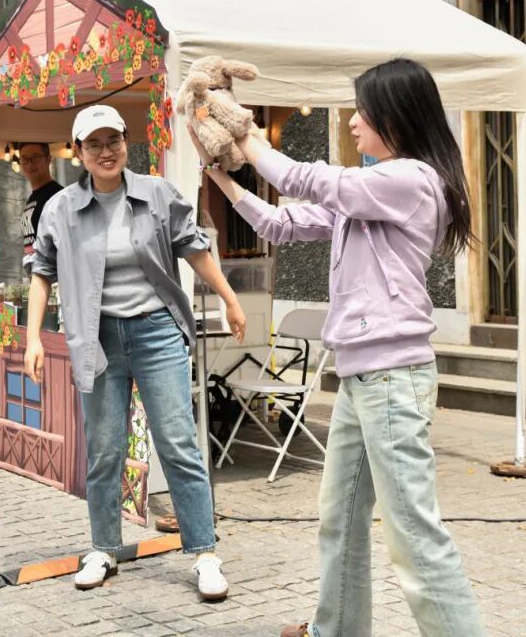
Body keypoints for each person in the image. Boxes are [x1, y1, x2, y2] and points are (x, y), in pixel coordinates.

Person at [196, 58, 484, 637]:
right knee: (341, 519)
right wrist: (220, 176)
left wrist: (241, 130)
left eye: (362, 111)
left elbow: (307, 179)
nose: (352, 122)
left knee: (414, 535)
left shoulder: (410, 179)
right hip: (362, 379)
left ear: (395, 117)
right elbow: (280, 224)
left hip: (391, 378)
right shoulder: (372, 192)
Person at [24, 104, 247, 601]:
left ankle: (204, 553)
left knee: (177, 442)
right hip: (97, 338)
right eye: (94, 144)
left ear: (127, 143)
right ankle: (104, 548)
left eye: (114, 141)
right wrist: (33, 337)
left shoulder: (156, 193)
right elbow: (41, 272)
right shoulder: (61, 208)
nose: (106, 152)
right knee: (104, 449)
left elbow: (194, 248)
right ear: (78, 152)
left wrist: (230, 298)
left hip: (156, 332)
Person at [17, 142, 63, 270]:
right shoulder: (32, 198)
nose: (30, 164)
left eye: (35, 158)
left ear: (48, 159)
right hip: (36, 273)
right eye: (25, 159)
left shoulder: (58, 196)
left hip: (54, 274)